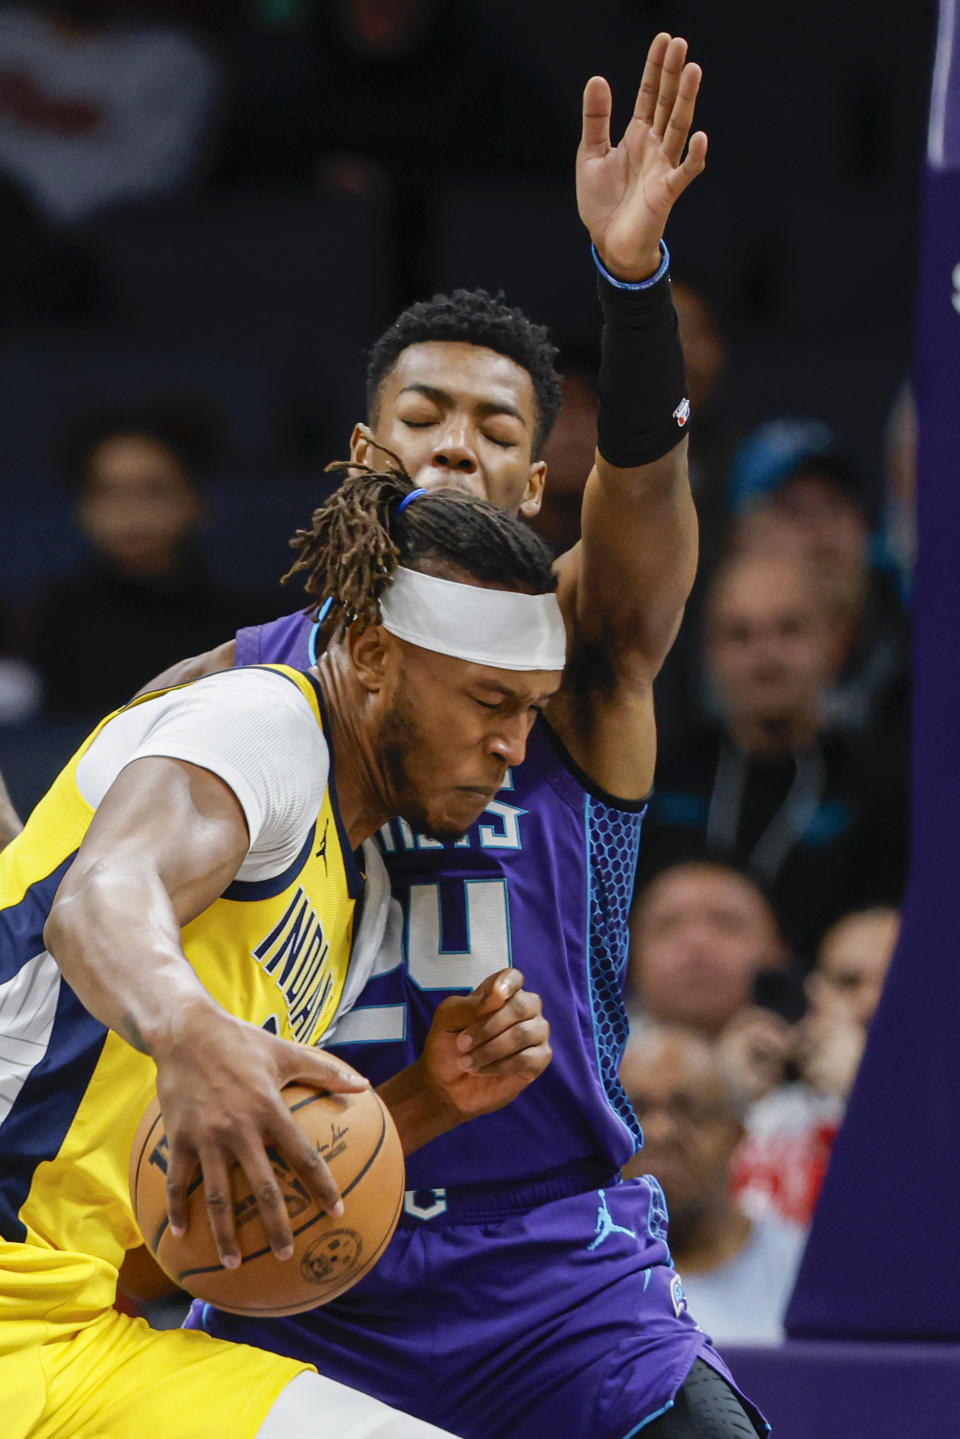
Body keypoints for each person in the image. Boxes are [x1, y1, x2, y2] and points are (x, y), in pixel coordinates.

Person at [33, 34, 767, 1436]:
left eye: (494, 426)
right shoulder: (248, 701)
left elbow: (642, 519)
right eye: (418, 417)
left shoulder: (571, 651)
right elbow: (83, 889)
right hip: (300, 1229)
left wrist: (631, 287)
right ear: (362, 462)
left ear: (536, 475)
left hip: (547, 1251)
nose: (451, 446)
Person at [0, 467, 561, 1439]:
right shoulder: (262, 725)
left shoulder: (362, 894)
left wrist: (428, 1100)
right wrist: (190, 1033)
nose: (512, 744)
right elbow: (99, 900)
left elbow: (197, 1233)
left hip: (81, 1330)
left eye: (532, 712)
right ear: (375, 656)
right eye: (488, 700)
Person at [638, 548, 908, 961]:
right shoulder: (661, 776)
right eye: (740, 635)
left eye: (789, 630)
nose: (765, 657)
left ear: (835, 642)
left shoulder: (878, 786)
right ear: (710, 653)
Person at [11, 400, 272, 722]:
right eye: (107, 491)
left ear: (197, 501)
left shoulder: (248, 631)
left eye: (153, 491)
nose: (130, 512)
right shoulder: (46, 621)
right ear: (82, 507)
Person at [621, 1025, 806, 1346]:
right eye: (636, 1110)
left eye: (689, 1110)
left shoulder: (798, 1270)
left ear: (737, 1135)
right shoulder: (571, 1279)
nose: (661, 1132)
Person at [733, 906, 900, 1228]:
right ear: (816, 992)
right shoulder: (768, 1115)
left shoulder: (943, 1119)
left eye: (894, 979)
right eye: (849, 983)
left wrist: (864, 1092)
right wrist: (727, 1103)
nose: (872, 1002)